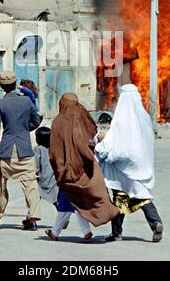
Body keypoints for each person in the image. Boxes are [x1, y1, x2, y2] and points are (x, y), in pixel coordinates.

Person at [95, 84, 163, 243]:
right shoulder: (145, 118)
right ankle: (156, 223)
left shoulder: (120, 121)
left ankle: (116, 233)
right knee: (142, 195)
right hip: (140, 166)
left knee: (119, 197)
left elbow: (111, 148)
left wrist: (100, 142)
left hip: (121, 168)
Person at [48, 93, 119, 241]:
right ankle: (85, 231)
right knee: (78, 200)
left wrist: (59, 168)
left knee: (67, 200)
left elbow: (55, 150)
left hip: (67, 170)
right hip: (84, 168)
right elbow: (93, 136)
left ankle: (56, 232)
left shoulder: (57, 122)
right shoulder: (84, 118)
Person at [0, 70, 41, 230]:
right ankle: (32, 218)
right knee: (30, 183)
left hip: (6, 150)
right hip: (25, 149)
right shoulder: (28, 101)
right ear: (15, 85)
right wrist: (22, 129)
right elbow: (36, 122)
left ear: (1, 86)